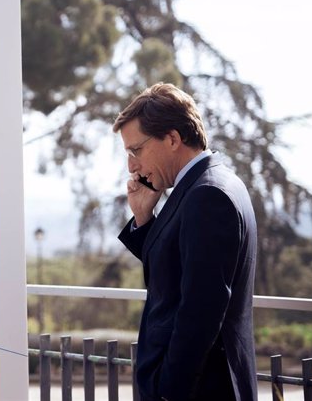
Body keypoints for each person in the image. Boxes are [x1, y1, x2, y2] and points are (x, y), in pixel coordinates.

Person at [113, 83, 258, 401]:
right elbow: (174, 271)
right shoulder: (208, 184)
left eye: (136, 150)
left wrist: (169, 391)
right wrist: (143, 218)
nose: (131, 166)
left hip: (201, 389)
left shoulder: (207, 195)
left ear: (173, 139)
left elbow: (200, 312)